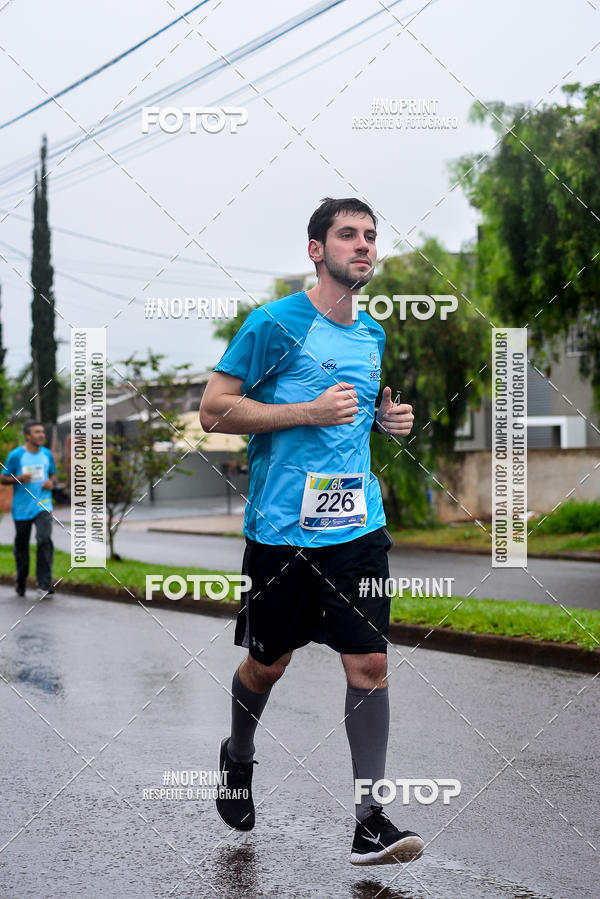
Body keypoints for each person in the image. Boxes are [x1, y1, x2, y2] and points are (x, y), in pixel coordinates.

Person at [200, 197, 423, 866]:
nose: (364, 245)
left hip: (358, 527)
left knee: (372, 662)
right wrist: (306, 409)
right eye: (348, 234)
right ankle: (238, 756)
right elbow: (213, 410)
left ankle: (370, 819)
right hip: (281, 532)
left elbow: (348, 423)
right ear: (316, 249)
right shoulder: (274, 323)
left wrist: (384, 423)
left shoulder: (373, 334)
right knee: (268, 666)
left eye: (371, 236)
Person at [1, 420, 56, 597]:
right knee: (22, 546)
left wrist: (51, 483)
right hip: (22, 508)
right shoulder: (16, 456)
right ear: (28, 436)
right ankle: (21, 580)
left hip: (43, 505)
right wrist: (19, 478)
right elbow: (3, 479)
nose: (42, 435)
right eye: (37, 432)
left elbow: (52, 474)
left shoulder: (47, 454)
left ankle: (45, 584)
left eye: (43, 432)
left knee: (44, 540)